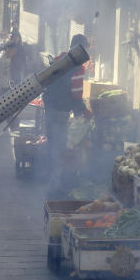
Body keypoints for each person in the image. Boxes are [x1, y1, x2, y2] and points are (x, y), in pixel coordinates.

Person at [43, 34, 89, 194]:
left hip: (49, 107)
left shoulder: (59, 58)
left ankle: (49, 179)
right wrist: (84, 111)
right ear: (82, 49)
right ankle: (55, 186)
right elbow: (76, 94)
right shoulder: (78, 67)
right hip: (61, 111)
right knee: (60, 147)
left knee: (51, 145)